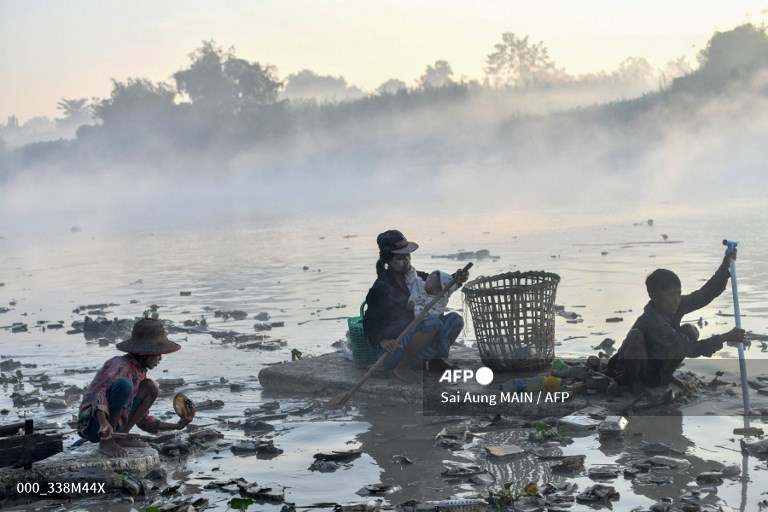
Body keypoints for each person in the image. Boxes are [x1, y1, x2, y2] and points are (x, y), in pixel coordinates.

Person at [607, 249, 746, 397]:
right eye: (672, 295)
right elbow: (688, 348)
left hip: (654, 369)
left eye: (679, 293)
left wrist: (725, 267)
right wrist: (724, 337)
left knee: (690, 330)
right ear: (653, 296)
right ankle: (636, 385)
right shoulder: (652, 321)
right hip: (625, 374)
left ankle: (666, 376)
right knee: (635, 336)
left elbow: (704, 295)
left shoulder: (675, 305)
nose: (677, 299)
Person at [77, 317, 196, 457]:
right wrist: (103, 423)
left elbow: (143, 420)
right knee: (124, 385)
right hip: (93, 424)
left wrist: (177, 426)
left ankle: (120, 436)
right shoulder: (120, 365)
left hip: (110, 426)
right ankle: (107, 442)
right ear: (145, 354)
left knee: (151, 387)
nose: (160, 359)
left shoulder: (139, 373)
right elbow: (99, 395)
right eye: (158, 354)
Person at [363, 229, 469, 384]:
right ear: (388, 261)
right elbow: (369, 322)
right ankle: (402, 368)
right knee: (432, 322)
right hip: (395, 351)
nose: (406, 260)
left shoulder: (415, 277)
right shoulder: (382, 287)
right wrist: (383, 341)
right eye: (400, 258)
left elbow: (437, 286)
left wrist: (456, 279)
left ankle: (435, 360)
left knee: (455, 319)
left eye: (407, 255)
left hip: (418, 349)